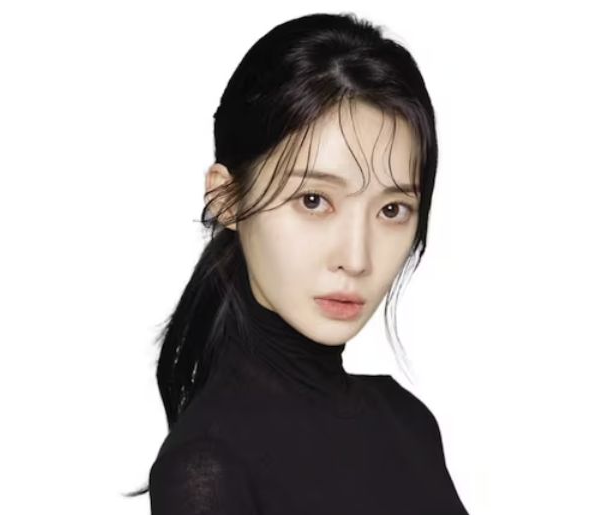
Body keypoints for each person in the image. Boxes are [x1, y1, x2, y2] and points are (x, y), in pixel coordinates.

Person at [125, 11, 469, 514]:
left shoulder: (409, 423)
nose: (356, 259)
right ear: (226, 199)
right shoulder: (208, 468)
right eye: (314, 201)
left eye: (392, 210)